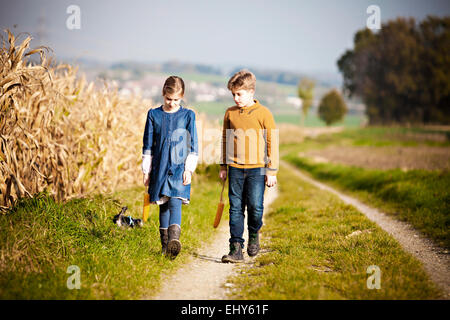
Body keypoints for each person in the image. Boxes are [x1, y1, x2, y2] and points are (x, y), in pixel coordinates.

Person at [219, 70, 278, 263]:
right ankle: (236, 248)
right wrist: (223, 166)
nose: (235, 98)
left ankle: (254, 234)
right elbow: (225, 140)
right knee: (235, 208)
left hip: (257, 169)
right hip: (235, 168)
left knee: (255, 207)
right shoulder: (230, 113)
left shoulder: (264, 114)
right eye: (233, 94)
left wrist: (271, 170)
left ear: (251, 92)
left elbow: (272, 142)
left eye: (239, 94)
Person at [142, 76, 198, 259]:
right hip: (159, 167)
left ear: (182, 97)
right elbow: (148, 145)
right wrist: (146, 171)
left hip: (180, 167)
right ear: (163, 95)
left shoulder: (188, 115)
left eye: (176, 100)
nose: (172, 103)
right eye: (168, 99)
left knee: (175, 200)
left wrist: (189, 169)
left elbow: (193, 145)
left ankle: (174, 241)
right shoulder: (153, 115)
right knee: (163, 205)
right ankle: (165, 247)